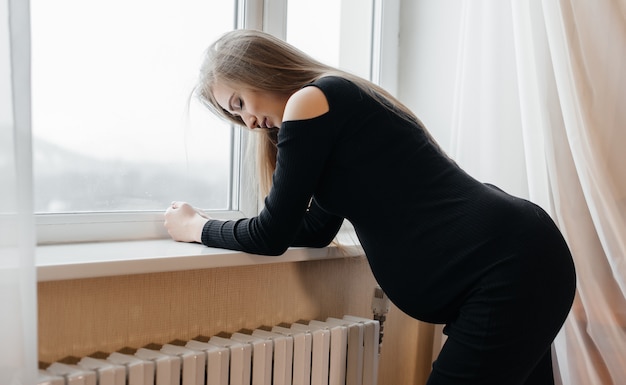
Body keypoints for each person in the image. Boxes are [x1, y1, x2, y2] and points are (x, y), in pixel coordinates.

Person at [164, 29, 576, 384]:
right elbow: (310, 229)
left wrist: (197, 227)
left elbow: (270, 234)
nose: (248, 123)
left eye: (237, 104)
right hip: (520, 259)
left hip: (510, 266)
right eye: (234, 116)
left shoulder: (313, 100)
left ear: (258, 70)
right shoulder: (333, 106)